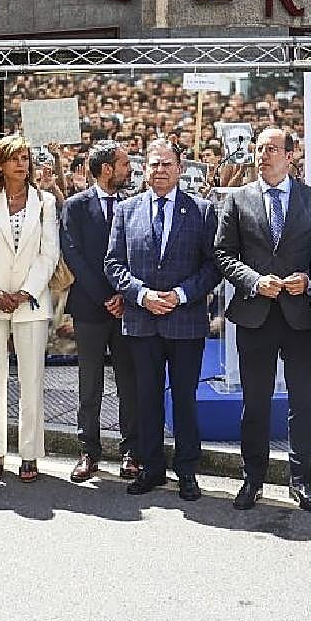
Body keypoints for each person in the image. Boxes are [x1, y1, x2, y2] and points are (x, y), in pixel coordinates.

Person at [213, 128, 311, 512]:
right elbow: (223, 254)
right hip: (255, 314)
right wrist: (255, 281)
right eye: (260, 149)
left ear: (291, 156)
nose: (264, 155)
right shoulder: (238, 199)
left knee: (304, 402)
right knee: (255, 402)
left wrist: (308, 278)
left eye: (273, 149)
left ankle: (302, 481)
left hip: (301, 315)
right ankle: (252, 478)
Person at [105, 138, 220, 501]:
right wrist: (142, 295)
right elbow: (113, 263)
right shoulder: (126, 210)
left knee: (184, 398)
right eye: (153, 164)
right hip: (142, 320)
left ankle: (187, 471)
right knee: (146, 398)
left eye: (166, 164)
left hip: (185, 321)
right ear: (145, 168)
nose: (159, 170)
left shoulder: (201, 211)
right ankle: (151, 467)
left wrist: (180, 295)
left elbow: (212, 266)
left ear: (180, 169)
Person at [0, 134, 59, 482]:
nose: (22, 163)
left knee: (31, 380)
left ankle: (30, 454)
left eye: (26, 157)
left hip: (30, 302)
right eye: (15, 157)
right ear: (1, 164)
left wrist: (23, 293)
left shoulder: (45, 202)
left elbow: (49, 254)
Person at [59, 140, 140, 482]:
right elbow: (73, 255)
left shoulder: (132, 205)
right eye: (124, 164)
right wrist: (106, 296)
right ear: (107, 168)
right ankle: (88, 452)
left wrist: (123, 295)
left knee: (129, 385)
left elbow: (138, 253)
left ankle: (130, 452)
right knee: (89, 385)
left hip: (126, 310)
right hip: (90, 309)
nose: (129, 170)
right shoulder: (75, 207)